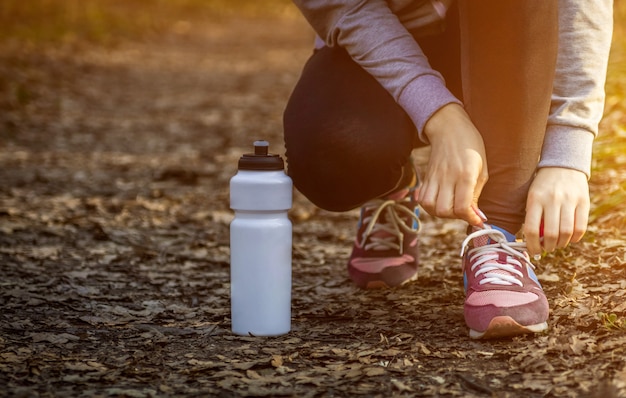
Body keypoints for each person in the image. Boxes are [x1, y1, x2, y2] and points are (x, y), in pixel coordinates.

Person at [283, 0, 613, 339]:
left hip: (512, 39)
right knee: (330, 156)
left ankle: (497, 233)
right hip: (377, 38)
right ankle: (394, 183)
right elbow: (344, 7)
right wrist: (440, 115)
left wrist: (567, 155)